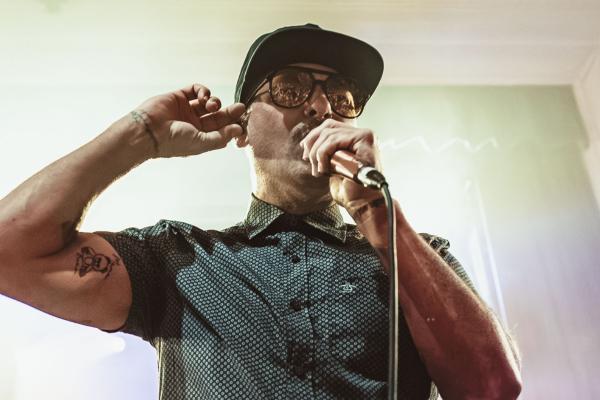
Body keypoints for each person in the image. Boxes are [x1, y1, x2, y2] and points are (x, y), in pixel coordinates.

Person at [0, 23, 521, 399]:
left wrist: (383, 222)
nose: (320, 107)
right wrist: (140, 137)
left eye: (341, 97)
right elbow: (10, 249)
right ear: (244, 125)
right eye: (291, 88)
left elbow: (493, 387)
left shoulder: (416, 256)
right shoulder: (178, 258)